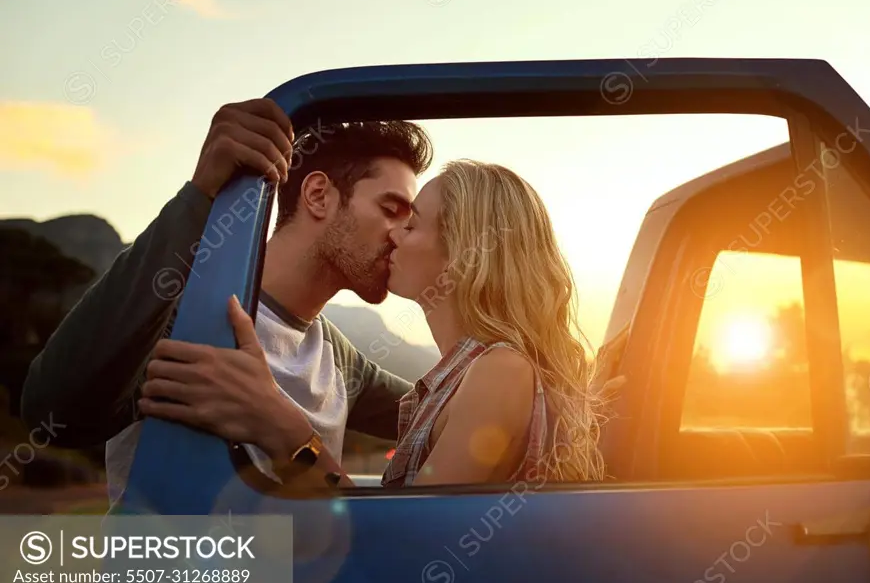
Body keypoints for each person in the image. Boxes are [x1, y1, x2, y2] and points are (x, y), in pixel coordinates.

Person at [20, 98, 434, 503]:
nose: (401, 235)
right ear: (319, 195)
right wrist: (201, 195)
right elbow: (51, 415)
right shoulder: (181, 317)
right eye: (392, 209)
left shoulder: (339, 358)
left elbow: (451, 415)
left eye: (410, 221)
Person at [138, 159, 613, 487]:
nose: (394, 236)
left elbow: (406, 542)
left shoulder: (499, 371)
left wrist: (282, 427)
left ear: (463, 256)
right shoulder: (464, 374)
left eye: (411, 224)